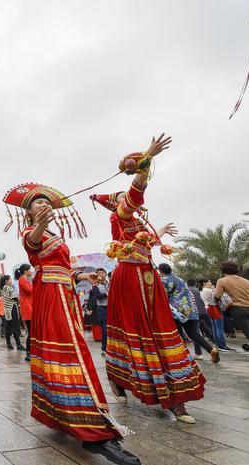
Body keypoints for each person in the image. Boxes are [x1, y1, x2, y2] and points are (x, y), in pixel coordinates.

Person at [3, 181, 139, 465]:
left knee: (70, 352)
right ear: (28, 211)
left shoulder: (57, 234)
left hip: (65, 293)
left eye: (45, 202)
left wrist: (83, 277)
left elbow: (64, 268)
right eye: (37, 203)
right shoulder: (32, 231)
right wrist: (39, 224)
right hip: (51, 296)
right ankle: (93, 433)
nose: (43, 205)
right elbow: (33, 244)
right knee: (71, 353)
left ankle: (66, 414)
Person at [90, 134, 205, 424]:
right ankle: (120, 378)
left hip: (147, 274)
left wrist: (161, 232)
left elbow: (145, 241)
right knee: (136, 328)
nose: (123, 198)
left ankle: (176, 395)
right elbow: (134, 195)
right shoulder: (120, 214)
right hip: (129, 277)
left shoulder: (137, 222)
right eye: (118, 196)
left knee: (161, 328)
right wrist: (147, 161)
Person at [158, 264, 220, 363]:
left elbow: (163, 296)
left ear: (160, 271)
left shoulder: (163, 280)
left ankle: (184, 358)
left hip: (177, 311)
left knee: (178, 334)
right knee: (193, 333)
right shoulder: (181, 279)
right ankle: (211, 350)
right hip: (191, 310)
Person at [199, 279, 231, 351]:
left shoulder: (201, 291)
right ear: (204, 283)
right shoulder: (210, 290)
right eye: (209, 281)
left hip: (208, 308)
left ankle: (217, 344)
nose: (210, 283)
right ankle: (222, 345)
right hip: (214, 308)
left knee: (214, 327)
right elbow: (219, 295)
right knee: (219, 328)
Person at [1, 275, 25, 351]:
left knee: (7, 327)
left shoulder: (3, 288)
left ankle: (8, 344)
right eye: (10, 279)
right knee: (15, 327)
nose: (11, 281)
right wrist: (19, 301)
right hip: (12, 308)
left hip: (7, 309)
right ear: (6, 281)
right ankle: (18, 345)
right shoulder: (9, 288)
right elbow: (15, 298)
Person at [89, 267, 109, 356]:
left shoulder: (110, 283)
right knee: (105, 330)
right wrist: (108, 294)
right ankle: (104, 349)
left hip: (111, 308)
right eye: (99, 273)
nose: (100, 275)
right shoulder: (95, 285)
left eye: (102, 273)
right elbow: (98, 296)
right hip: (101, 309)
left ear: (105, 274)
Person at [16, 264, 33, 361]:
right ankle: (28, 353)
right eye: (29, 270)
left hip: (29, 307)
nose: (31, 271)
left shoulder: (25, 279)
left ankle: (30, 352)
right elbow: (29, 290)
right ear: (25, 271)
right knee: (31, 332)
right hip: (27, 308)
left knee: (32, 332)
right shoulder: (22, 279)